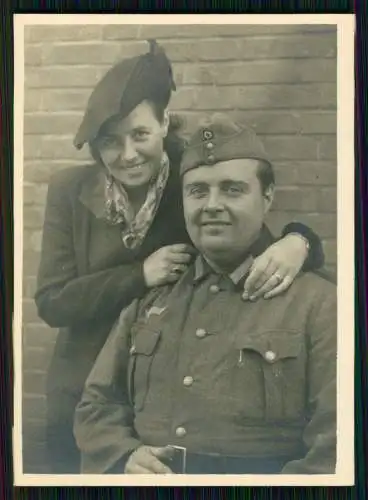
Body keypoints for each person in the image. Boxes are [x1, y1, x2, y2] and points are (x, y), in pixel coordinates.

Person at [35, 40, 325, 474]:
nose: (128, 154)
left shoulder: (194, 181)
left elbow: (255, 239)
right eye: (110, 142)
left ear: (165, 124)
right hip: (87, 385)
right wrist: (141, 275)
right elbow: (52, 300)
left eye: (140, 135)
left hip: (165, 386)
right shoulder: (70, 191)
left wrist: (299, 240)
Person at [73, 113, 336, 475]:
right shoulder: (153, 297)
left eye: (232, 189)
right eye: (198, 191)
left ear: (267, 197)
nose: (212, 205)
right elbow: (97, 403)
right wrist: (123, 455)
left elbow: (336, 445)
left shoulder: (318, 303)